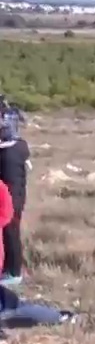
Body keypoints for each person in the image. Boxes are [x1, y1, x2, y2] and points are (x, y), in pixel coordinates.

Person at [0, 117, 28, 285]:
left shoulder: (8, 155)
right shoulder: (15, 148)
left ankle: (13, 272)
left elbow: (9, 182)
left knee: (10, 232)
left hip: (11, 199)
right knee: (8, 233)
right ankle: (9, 269)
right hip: (12, 197)